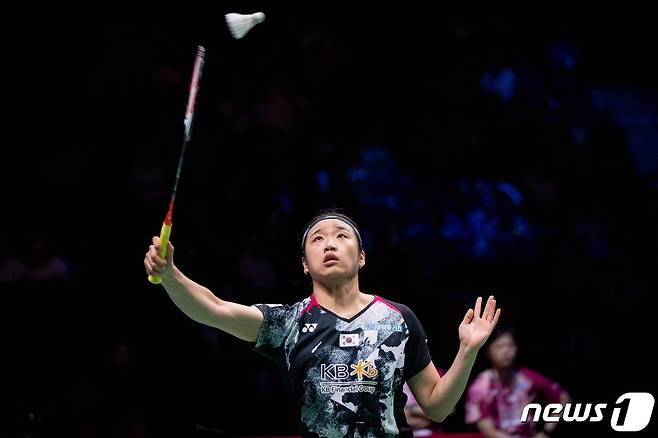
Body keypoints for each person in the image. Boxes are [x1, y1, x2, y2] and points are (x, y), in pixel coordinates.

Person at [144, 209, 502, 437]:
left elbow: (437, 407)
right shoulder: (289, 322)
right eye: (318, 239)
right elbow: (213, 308)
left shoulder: (398, 319)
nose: (329, 243)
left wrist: (468, 351)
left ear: (361, 258)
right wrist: (171, 274)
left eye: (341, 236)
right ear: (304, 264)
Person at [465, 326, 570, 438]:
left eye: (510, 345)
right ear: (488, 352)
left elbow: (564, 398)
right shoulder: (480, 387)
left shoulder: (528, 377)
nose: (506, 351)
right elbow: (488, 431)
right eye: (499, 346)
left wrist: (546, 431)